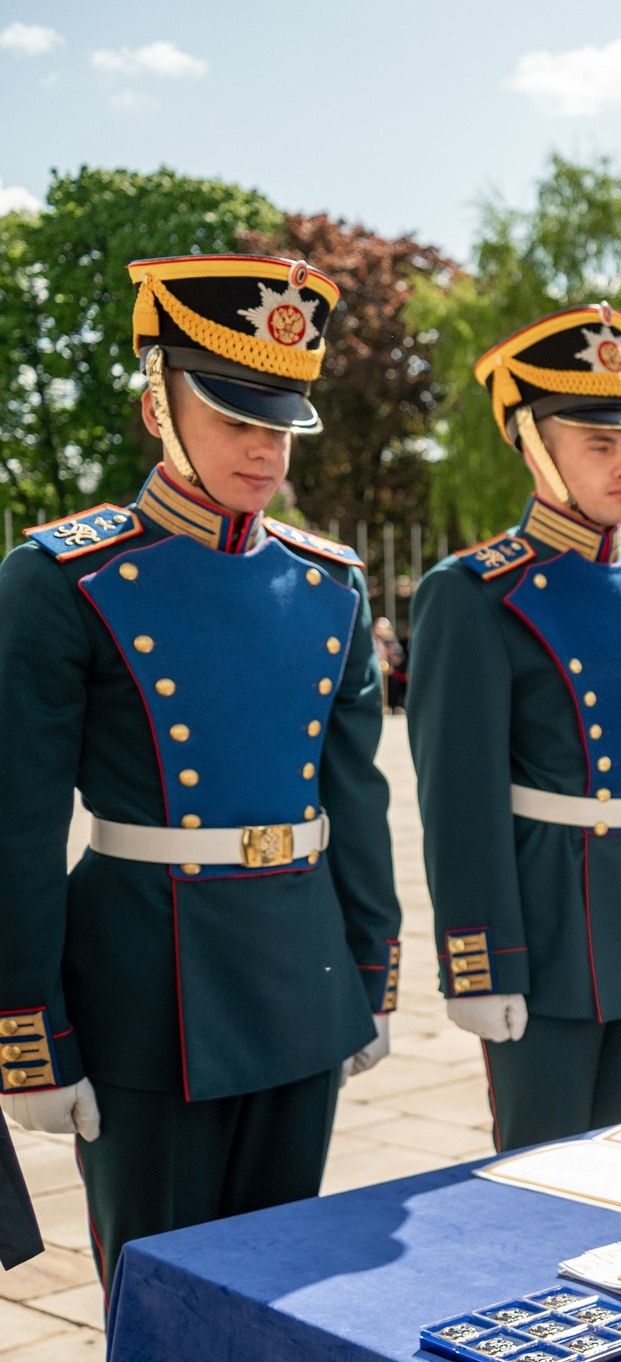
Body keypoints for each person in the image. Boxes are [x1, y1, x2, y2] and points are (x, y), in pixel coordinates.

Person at [0, 254, 400, 1288]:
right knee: (161, 1304)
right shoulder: (63, 578)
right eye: (236, 418)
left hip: (300, 977)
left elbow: (355, 794)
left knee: (283, 1299)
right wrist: (27, 1028)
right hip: (145, 990)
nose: (265, 449)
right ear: (158, 407)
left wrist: (370, 970)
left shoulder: (330, 583)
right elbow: (19, 823)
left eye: (280, 424)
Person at [407, 304, 621, 1151]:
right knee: (539, 1179)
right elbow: (459, 799)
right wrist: (478, 959)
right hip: (549, 931)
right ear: (532, 443)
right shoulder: (476, 594)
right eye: (598, 445)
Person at [374, 615, 408, 714]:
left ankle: (394, 704)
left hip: (391, 670)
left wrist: (391, 656)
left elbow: (399, 656)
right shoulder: (373, 641)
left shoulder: (392, 642)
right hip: (377, 667)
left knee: (393, 685)